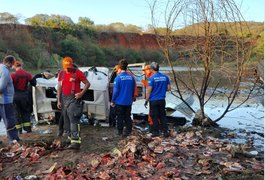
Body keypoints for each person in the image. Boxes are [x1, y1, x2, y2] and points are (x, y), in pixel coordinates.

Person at [57, 57, 90, 149]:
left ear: (71, 64)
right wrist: (58, 100)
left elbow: (87, 83)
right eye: (65, 67)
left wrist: (81, 93)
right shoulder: (61, 73)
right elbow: (59, 87)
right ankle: (69, 138)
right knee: (66, 119)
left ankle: (76, 142)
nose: (67, 69)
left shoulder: (78, 73)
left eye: (68, 67)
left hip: (74, 99)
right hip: (64, 99)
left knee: (73, 119)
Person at [144, 62, 171, 137]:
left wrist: (146, 101)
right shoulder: (165, 77)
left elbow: (149, 91)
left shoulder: (151, 78)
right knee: (162, 116)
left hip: (153, 100)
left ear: (152, 69)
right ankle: (165, 131)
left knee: (154, 116)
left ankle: (156, 132)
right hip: (162, 100)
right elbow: (169, 88)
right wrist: (161, 89)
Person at [111, 59, 136, 137]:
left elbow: (115, 91)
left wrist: (113, 101)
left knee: (120, 117)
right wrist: (132, 98)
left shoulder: (118, 78)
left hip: (119, 102)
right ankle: (128, 131)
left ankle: (120, 132)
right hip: (128, 102)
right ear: (126, 67)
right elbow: (133, 89)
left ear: (119, 67)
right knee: (127, 116)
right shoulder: (131, 78)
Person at [11, 60, 35, 133]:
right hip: (24, 96)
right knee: (26, 112)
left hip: (15, 96)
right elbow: (34, 83)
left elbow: (9, 85)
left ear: (14, 66)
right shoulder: (28, 74)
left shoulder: (12, 75)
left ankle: (19, 131)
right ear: (22, 66)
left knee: (16, 113)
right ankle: (28, 129)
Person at [0, 55, 20, 143]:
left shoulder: (0, 67)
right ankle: (13, 139)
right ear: (9, 62)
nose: (13, 65)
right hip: (5, 100)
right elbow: (2, 87)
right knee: (9, 119)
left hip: (1, 99)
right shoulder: (5, 71)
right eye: (13, 63)